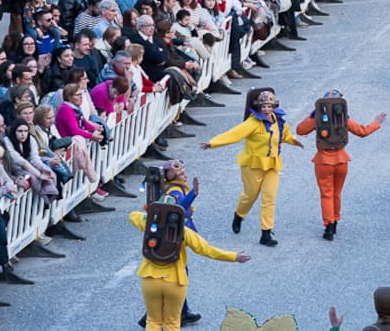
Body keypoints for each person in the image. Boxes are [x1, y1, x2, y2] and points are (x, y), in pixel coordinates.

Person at [200, 87, 303, 247]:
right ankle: (239, 215)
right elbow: (233, 134)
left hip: (272, 165)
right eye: (264, 107)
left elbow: (284, 134)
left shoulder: (278, 119)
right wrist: (212, 143)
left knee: (269, 198)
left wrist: (293, 140)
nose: (267, 110)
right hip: (252, 166)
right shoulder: (252, 123)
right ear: (258, 107)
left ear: (274, 106)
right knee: (250, 196)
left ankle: (266, 233)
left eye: (270, 106)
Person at [127, 199, 251, 331]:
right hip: (175, 282)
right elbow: (207, 250)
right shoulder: (184, 232)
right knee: (172, 323)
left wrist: (150, 215)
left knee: (153, 321)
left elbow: (132, 215)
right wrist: (233, 256)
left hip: (150, 279)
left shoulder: (148, 225)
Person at [294, 91, 385, 241]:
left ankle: (328, 226)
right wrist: (376, 123)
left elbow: (300, 130)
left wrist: (313, 114)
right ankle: (335, 220)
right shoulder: (343, 119)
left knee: (326, 194)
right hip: (342, 161)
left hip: (323, 161)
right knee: (336, 193)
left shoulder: (318, 118)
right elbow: (362, 131)